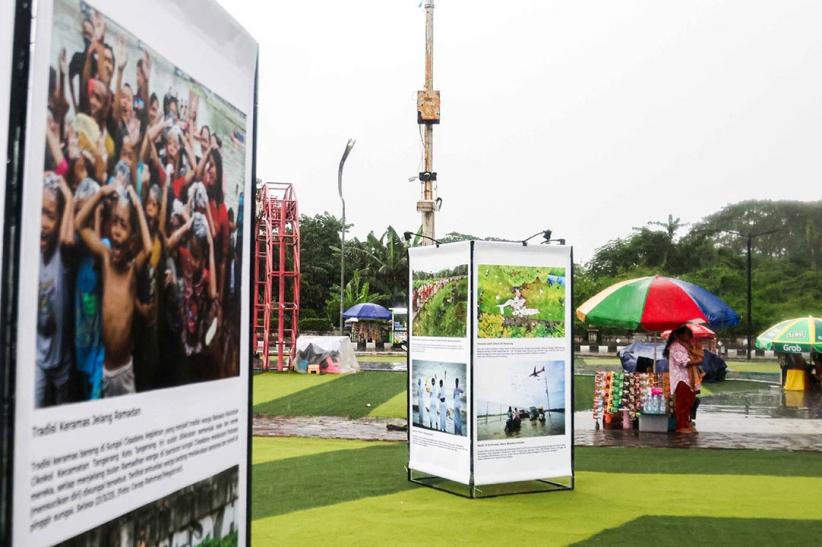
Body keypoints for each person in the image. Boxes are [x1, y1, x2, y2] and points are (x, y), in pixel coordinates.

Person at [76, 184, 151, 397]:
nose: (116, 231)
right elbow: (80, 225)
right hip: (105, 370)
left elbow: (148, 248)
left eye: (124, 225)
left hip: (125, 371)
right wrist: (101, 193)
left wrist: (137, 204)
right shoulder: (106, 259)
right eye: (114, 222)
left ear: (132, 238)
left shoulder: (131, 271)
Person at [36, 174, 75, 407]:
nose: (42, 222)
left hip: (61, 361)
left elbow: (68, 240)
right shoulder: (31, 250)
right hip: (38, 358)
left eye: (50, 216)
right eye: (39, 212)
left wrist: (68, 197)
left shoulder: (62, 256)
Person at [663, 325, 700, 433]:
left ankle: (686, 424)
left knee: (689, 402)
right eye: (687, 335)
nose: (689, 337)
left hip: (688, 379)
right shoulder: (675, 347)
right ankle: (681, 426)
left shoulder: (684, 346)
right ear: (679, 335)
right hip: (681, 379)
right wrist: (698, 360)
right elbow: (684, 362)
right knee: (682, 404)